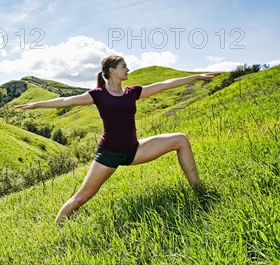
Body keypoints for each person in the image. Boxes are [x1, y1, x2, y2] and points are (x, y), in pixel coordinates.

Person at [14, 55, 220, 225]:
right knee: (81, 198)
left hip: (134, 150)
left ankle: (200, 192)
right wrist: (36, 104)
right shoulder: (98, 95)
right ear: (112, 70)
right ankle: (56, 226)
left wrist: (196, 76)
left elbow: (164, 85)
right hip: (108, 155)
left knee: (180, 139)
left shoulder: (133, 92)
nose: (128, 69)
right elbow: (65, 101)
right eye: (124, 66)